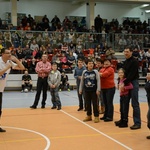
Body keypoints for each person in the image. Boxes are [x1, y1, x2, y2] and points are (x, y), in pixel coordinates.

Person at [0, 48, 25, 132]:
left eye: (10, 53)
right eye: (7, 53)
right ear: (2, 54)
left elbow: (22, 67)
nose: (9, 54)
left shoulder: (9, 62)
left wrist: (16, 60)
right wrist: (7, 67)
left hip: (0, 89)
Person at [122, 47, 141, 130]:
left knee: (135, 103)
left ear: (131, 52)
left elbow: (132, 75)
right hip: (126, 82)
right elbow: (123, 73)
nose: (126, 53)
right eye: (125, 52)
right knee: (125, 102)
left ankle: (137, 123)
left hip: (133, 83)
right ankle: (124, 120)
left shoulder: (134, 62)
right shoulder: (125, 62)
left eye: (127, 52)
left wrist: (124, 83)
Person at [79, 59, 100, 123]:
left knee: (95, 104)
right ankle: (89, 115)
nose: (91, 65)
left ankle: (96, 116)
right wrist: (80, 89)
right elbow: (82, 81)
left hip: (94, 90)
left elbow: (98, 80)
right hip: (86, 90)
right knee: (87, 104)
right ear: (87, 65)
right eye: (89, 63)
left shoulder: (95, 72)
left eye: (92, 63)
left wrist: (98, 89)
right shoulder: (84, 72)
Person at [144, 73, 150, 139]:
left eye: (148, 75)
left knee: (149, 116)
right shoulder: (148, 82)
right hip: (149, 101)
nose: (147, 76)